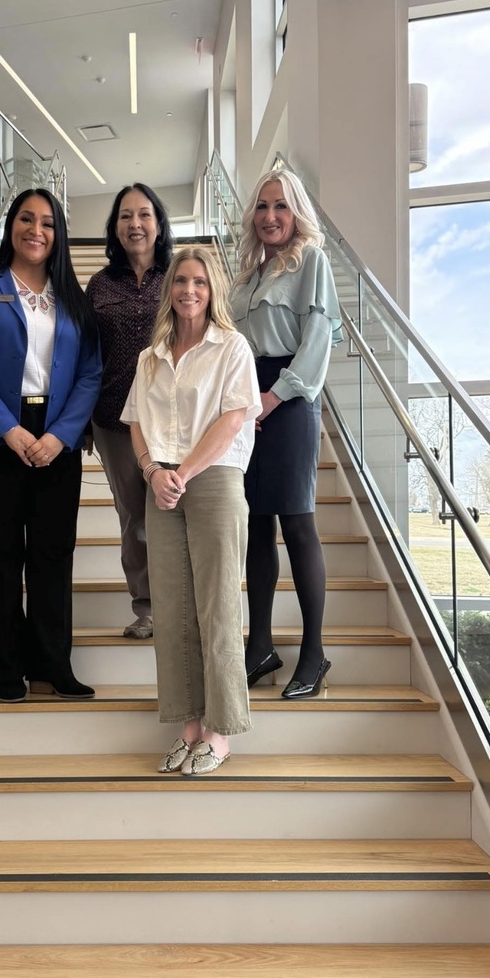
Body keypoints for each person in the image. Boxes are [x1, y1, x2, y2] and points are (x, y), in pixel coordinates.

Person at [0, 188, 101, 703]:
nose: (37, 230)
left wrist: (59, 435)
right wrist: (7, 430)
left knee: (54, 553)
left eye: (48, 223)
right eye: (27, 220)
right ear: (11, 225)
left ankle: (54, 664)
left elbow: (90, 373)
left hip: (57, 433)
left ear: (58, 235)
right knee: (1, 554)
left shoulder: (74, 301)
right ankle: (7, 667)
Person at [122, 247, 261, 775]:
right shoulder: (150, 355)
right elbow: (135, 420)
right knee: (175, 608)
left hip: (215, 479)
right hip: (162, 483)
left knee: (217, 605)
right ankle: (187, 724)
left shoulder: (232, 348)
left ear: (213, 289)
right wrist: (152, 471)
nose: (189, 290)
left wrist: (185, 471)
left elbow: (233, 419)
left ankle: (220, 732)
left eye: (200, 281)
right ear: (169, 289)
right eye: (181, 280)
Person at [230, 168, 343, 700]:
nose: (270, 216)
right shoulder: (249, 272)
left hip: (290, 400)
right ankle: (260, 647)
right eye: (262, 206)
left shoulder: (311, 262)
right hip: (246, 401)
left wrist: (274, 396)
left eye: (281, 206)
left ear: (296, 212)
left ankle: (314, 653)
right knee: (254, 525)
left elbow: (317, 340)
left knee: (297, 524)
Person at [87, 183, 173, 639]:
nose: (134, 224)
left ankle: (181, 603)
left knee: (174, 511)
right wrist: (81, 419)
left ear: (158, 224)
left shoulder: (179, 276)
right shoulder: (99, 284)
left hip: (174, 420)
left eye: (143, 215)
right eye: (125, 216)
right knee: (134, 518)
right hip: (113, 420)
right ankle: (147, 608)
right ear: (114, 227)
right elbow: (85, 353)